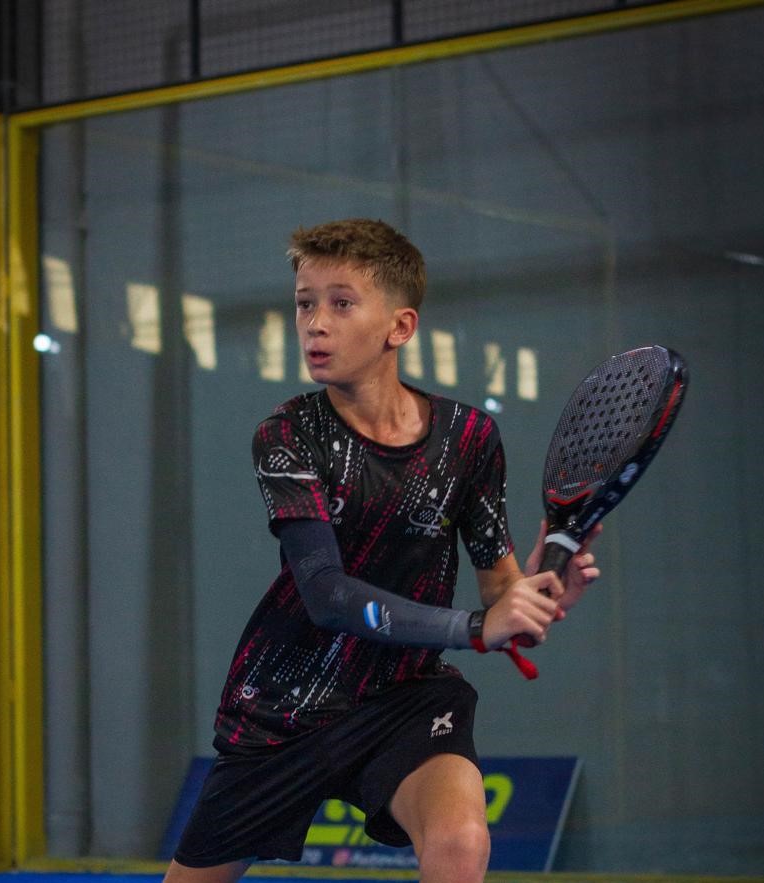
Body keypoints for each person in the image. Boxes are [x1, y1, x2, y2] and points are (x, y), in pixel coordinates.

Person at [164, 218, 600, 883]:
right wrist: (480, 628)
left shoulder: (468, 437)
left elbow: (496, 589)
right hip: (286, 706)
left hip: (405, 696)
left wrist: (534, 594)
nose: (315, 322)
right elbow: (327, 595)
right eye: (305, 302)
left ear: (399, 326)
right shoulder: (287, 435)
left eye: (341, 302)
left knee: (459, 840)